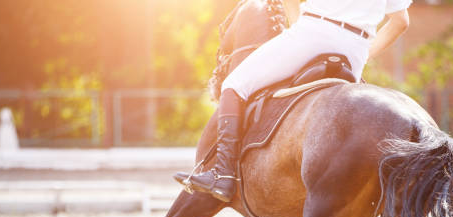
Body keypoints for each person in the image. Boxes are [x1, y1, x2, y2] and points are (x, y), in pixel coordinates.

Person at [176, 0, 412, 202]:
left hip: (314, 32)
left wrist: (297, 31)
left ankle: (223, 175)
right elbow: (401, 22)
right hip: (356, 49)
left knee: (234, 85)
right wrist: (364, 53)